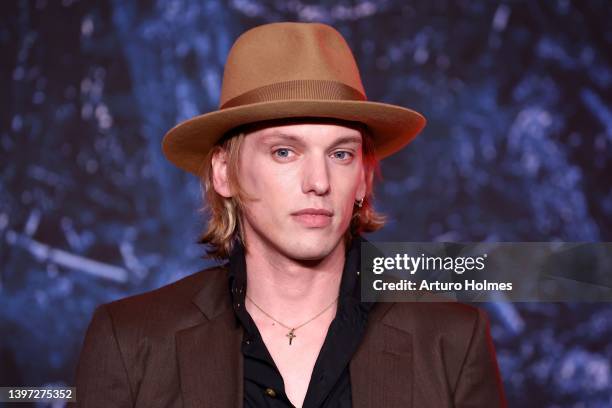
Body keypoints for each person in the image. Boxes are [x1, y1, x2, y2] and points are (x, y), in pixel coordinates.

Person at [74, 22, 507, 407]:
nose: (318, 181)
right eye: (285, 151)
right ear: (224, 172)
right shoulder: (132, 339)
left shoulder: (451, 340)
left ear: (363, 178)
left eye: (340, 154)